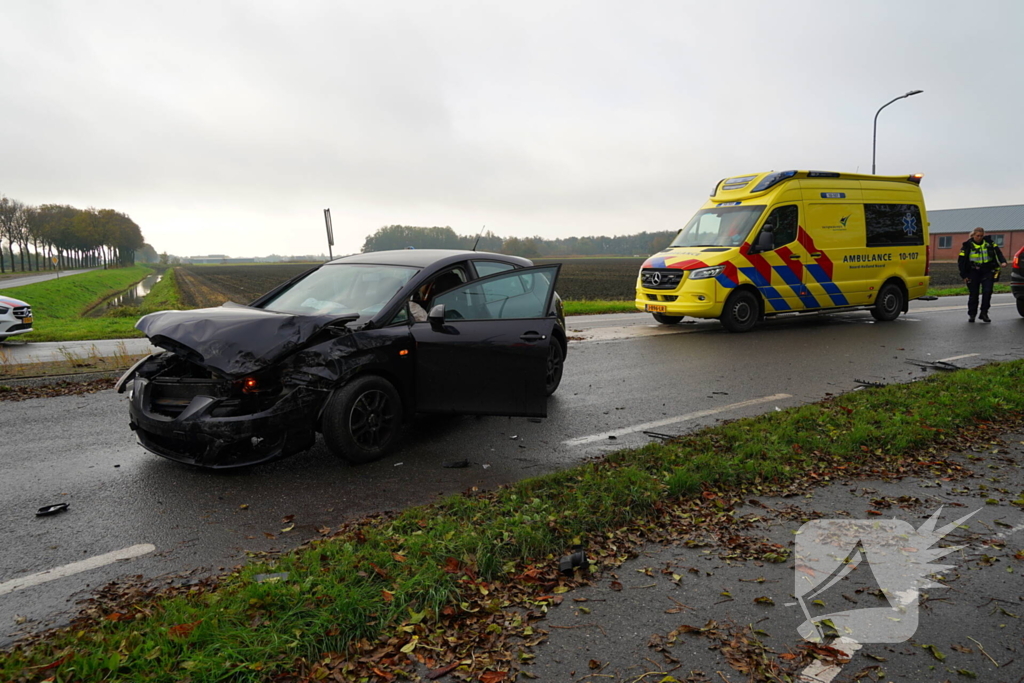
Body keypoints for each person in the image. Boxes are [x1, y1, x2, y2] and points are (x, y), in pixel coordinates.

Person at [957, 227, 1007, 323]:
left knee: (987, 292)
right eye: (977, 236)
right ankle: (972, 314)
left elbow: (998, 252)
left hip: (987, 270)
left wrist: (1003, 262)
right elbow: (961, 261)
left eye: (981, 236)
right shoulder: (967, 245)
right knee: (974, 294)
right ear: (973, 235)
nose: (979, 237)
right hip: (972, 271)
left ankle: (984, 313)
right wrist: (964, 276)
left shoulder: (989, 243)